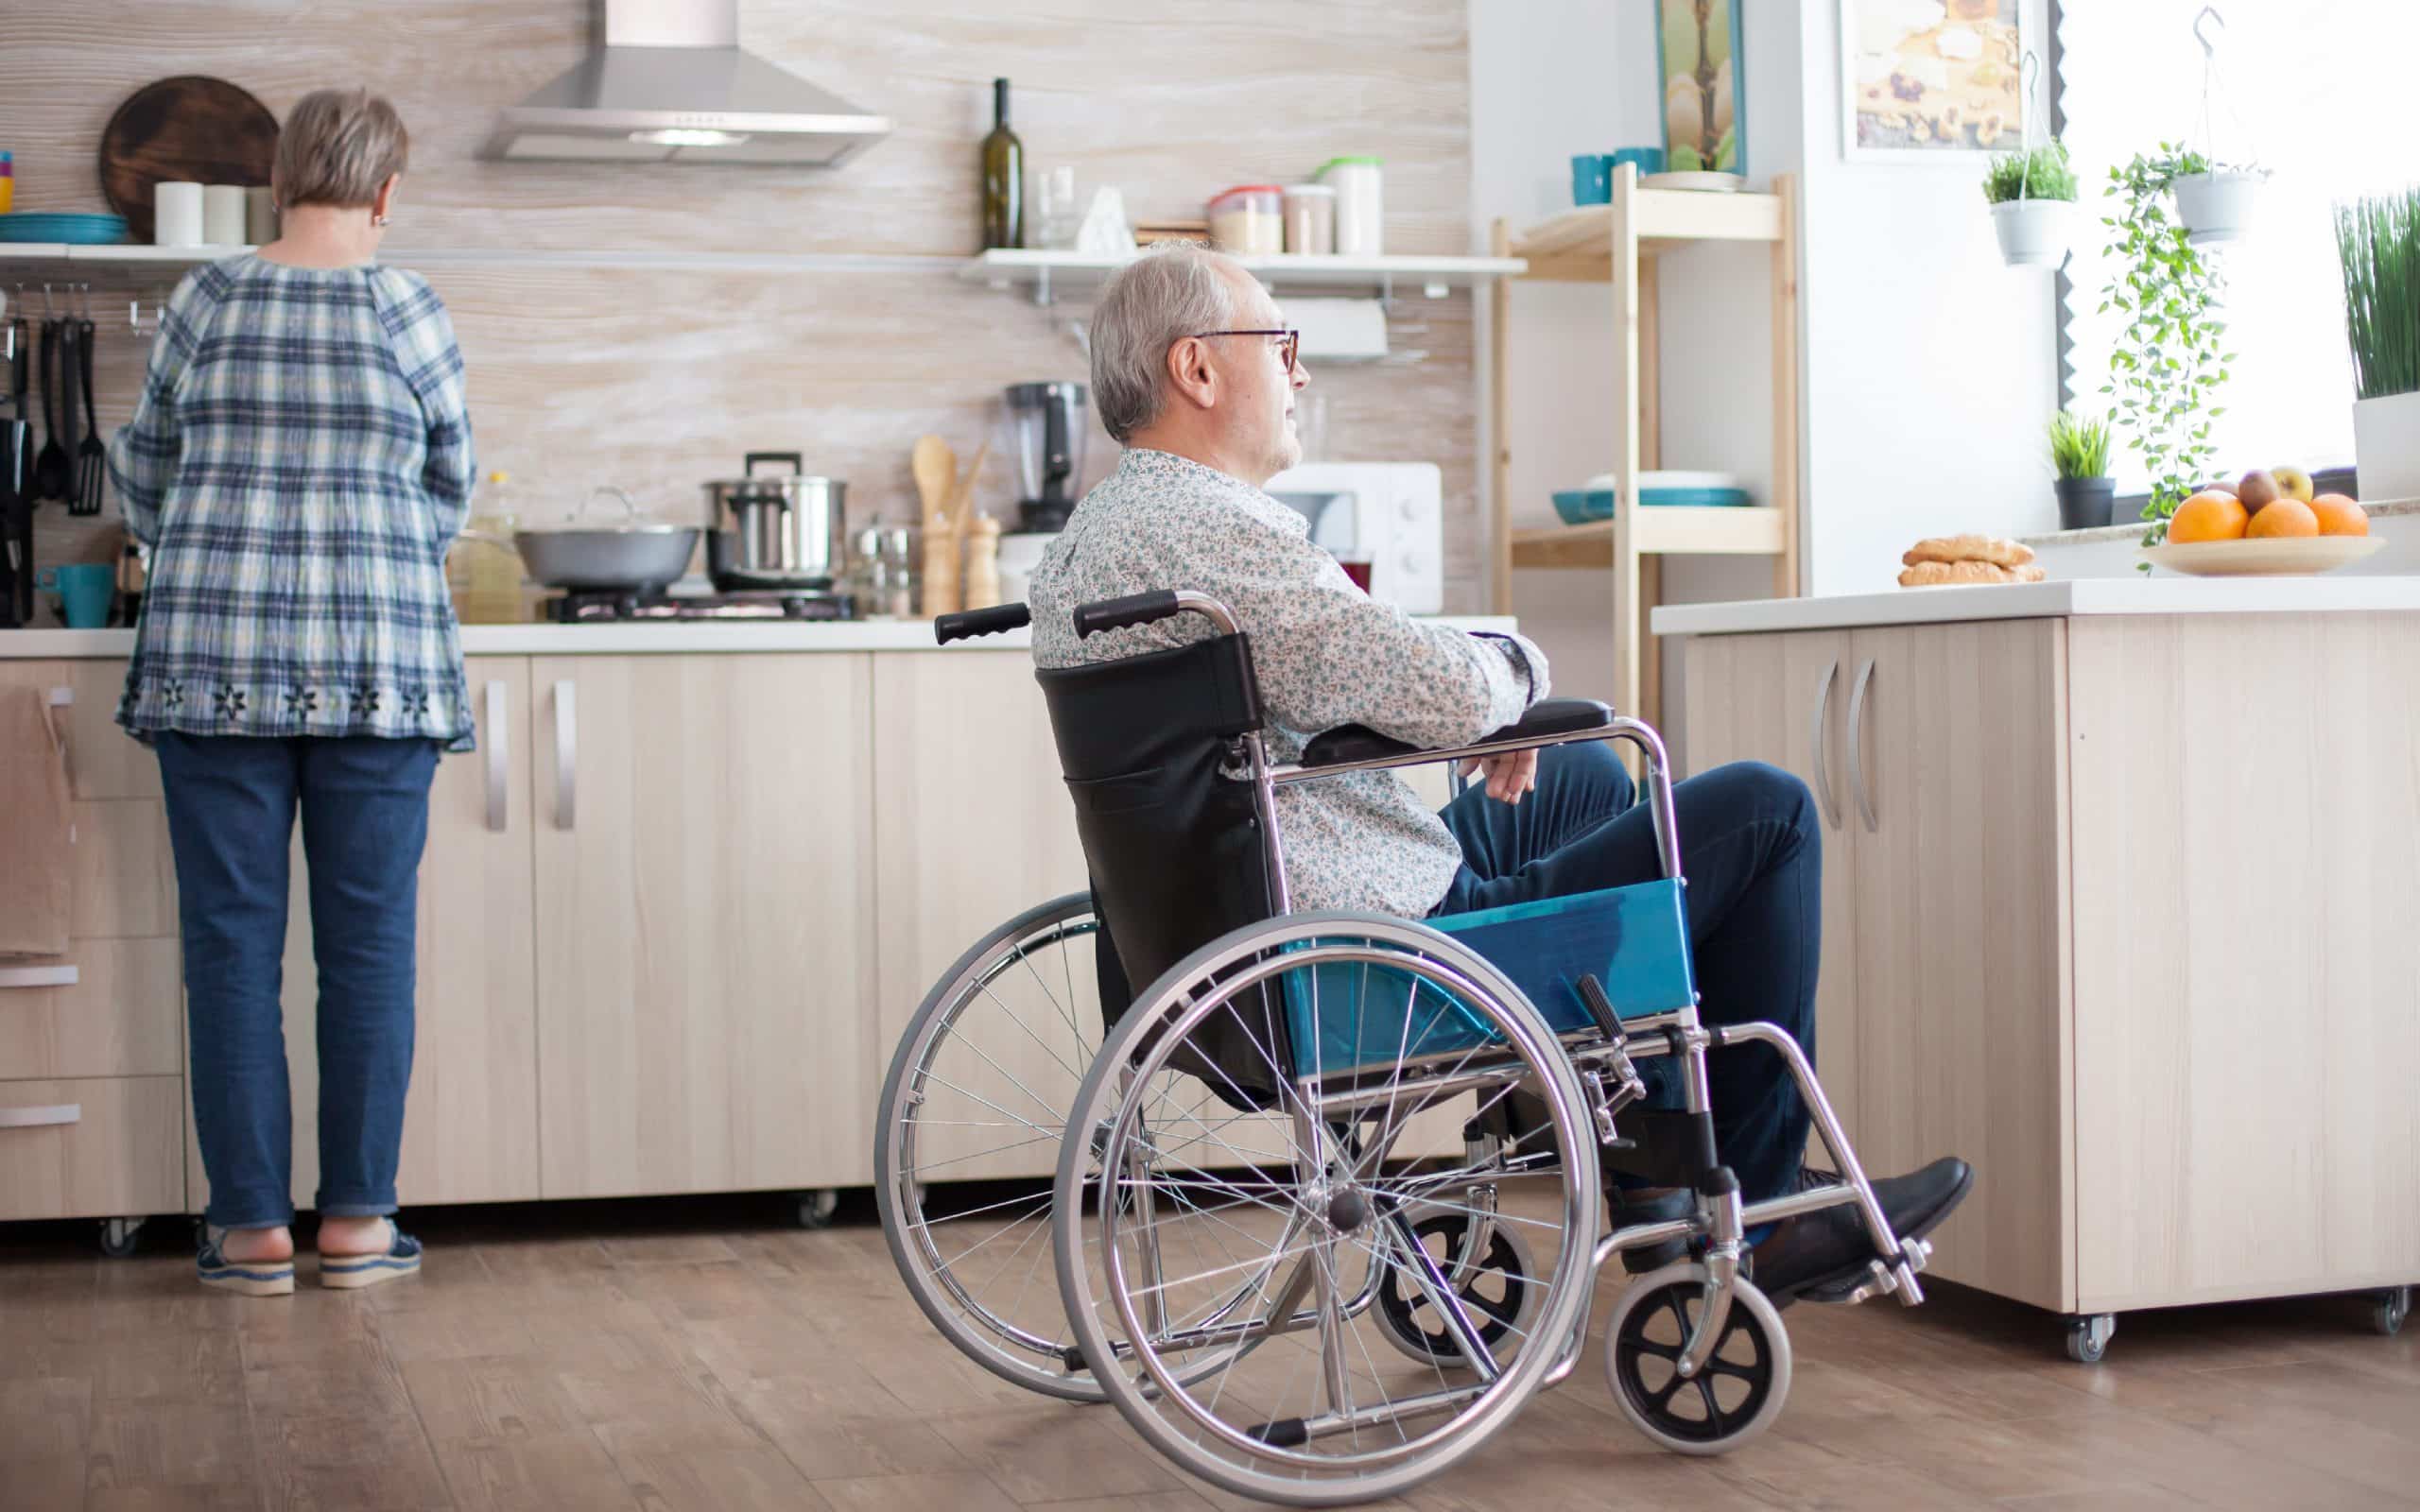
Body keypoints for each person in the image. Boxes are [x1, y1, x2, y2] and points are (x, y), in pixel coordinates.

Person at [1026, 244, 1970, 1300]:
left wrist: (1479, 698)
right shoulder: (1221, 536)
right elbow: (1445, 690)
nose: (1298, 373)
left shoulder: (1096, 536)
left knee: (1576, 781)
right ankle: (1752, 1207)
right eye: (1280, 346)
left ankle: (1640, 1181)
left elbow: (1382, 669)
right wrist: (1510, 674)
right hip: (1372, 947)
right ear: (1197, 369)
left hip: (1254, 915)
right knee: (1767, 809)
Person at [109, 87, 472, 1296]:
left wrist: (221, 542)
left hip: (211, 664)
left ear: (280, 182)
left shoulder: (205, 299)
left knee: (229, 950)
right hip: (381, 667)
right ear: (385, 192)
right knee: (367, 953)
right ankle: (359, 1225)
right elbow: (448, 488)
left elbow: (146, 475)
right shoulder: (408, 307)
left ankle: (252, 1227)